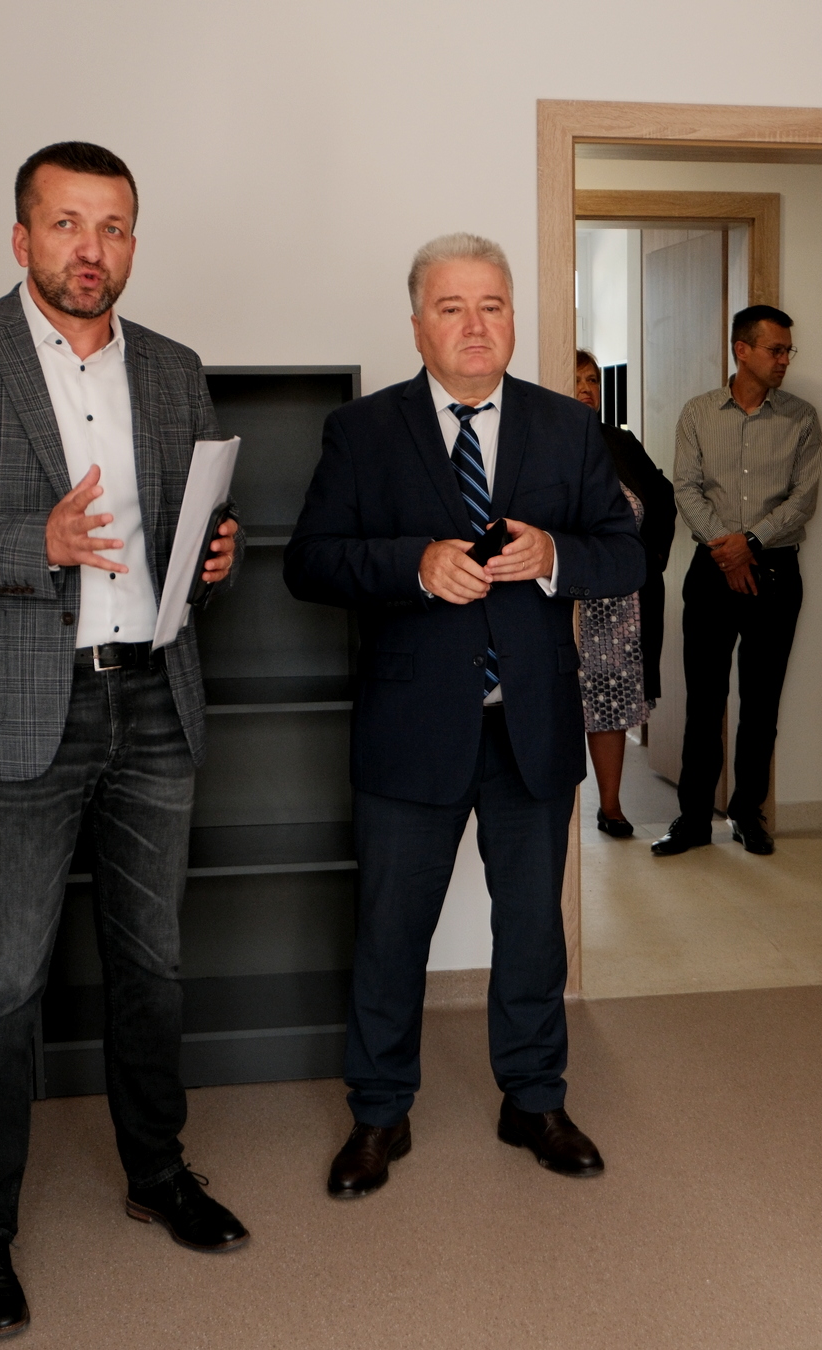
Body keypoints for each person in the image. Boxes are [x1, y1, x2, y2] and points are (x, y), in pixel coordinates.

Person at [0, 142, 244, 1338]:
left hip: (155, 700)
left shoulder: (173, 368)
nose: (93, 249)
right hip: (19, 708)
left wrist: (214, 555)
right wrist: (35, 541)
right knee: (2, 985)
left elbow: (194, 527)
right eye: (68, 224)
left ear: (133, 243)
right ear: (21, 237)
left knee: (153, 966)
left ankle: (156, 1172)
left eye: (113, 227)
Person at [284, 234, 644, 1198]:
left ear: (513, 318)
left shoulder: (568, 428)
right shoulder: (362, 430)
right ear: (417, 326)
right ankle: (377, 1113)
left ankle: (533, 1099)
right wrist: (413, 564)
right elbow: (309, 561)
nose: (475, 325)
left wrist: (555, 555)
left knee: (532, 931)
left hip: (531, 726)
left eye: (492, 305)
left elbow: (625, 554)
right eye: (451, 308)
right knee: (390, 931)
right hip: (410, 728)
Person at [652, 305, 821, 857]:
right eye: (776, 350)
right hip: (711, 573)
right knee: (704, 702)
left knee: (761, 703)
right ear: (741, 350)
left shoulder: (802, 418)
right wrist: (727, 551)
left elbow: (802, 500)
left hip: (775, 572)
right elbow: (686, 488)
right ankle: (693, 819)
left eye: (788, 351)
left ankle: (748, 812)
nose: (784, 360)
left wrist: (749, 543)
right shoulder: (698, 413)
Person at [573, 349, 677, 836]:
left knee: (610, 703)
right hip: (568, 599)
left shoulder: (620, 442)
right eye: (576, 379)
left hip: (622, 604)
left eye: (592, 380)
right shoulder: (543, 442)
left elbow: (663, 497)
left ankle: (610, 806)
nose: (586, 388)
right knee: (563, 703)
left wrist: (650, 557)